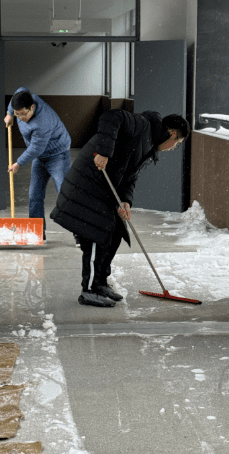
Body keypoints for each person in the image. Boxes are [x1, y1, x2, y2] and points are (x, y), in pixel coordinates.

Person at [50, 108, 190, 306]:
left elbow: (130, 175)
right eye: (176, 144)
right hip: (87, 184)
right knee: (93, 234)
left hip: (103, 189)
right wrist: (104, 152)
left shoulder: (148, 145)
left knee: (115, 232)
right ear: (173, 134)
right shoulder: (142, 125)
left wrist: (125, 200)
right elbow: (111, 116)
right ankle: (88, 290)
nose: (172, 147)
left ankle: (99, 283)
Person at [5, 87, 71, 242]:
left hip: (57, 155)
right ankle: (37, 232)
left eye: (23, 114)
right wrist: (9, 114)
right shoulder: (24, 99)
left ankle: (81, 233)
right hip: (40, 157)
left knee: (65, 194)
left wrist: (18, 163)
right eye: (17, 114)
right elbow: (18, 92)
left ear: (32, 107)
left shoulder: (42, 122)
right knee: (34, 195)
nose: (20, 117)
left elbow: (36, 148)